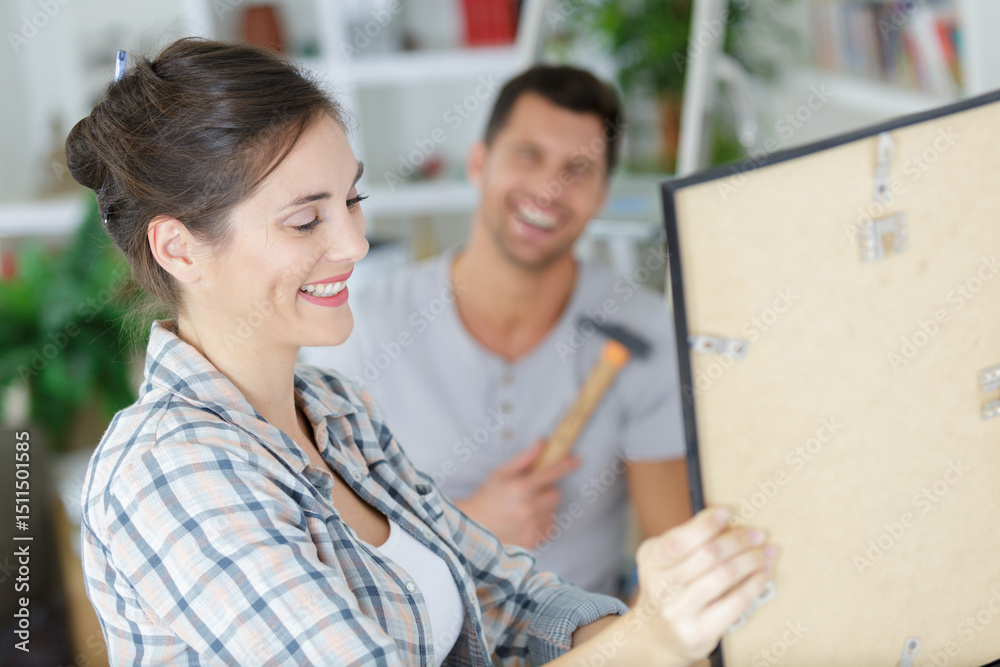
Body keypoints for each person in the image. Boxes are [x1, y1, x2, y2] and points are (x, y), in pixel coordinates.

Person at [71, 39, 774, 665]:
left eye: (352, 200)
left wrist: (656, 621)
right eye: (306, 220)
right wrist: (648, 641)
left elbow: (509, 599)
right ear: (179, 249)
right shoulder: (168, 473)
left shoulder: (336, 413)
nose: (354, 242)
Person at [302, 65, 690, 597]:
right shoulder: (362, 329)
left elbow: (673, 557)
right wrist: (468, 527)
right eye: (528, 155)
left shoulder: (642, 329)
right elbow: (328, 548)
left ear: (602, 194)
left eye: (578, 168)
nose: (549, 188)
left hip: (590, 631)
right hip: (420, 631)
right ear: (479, 163)